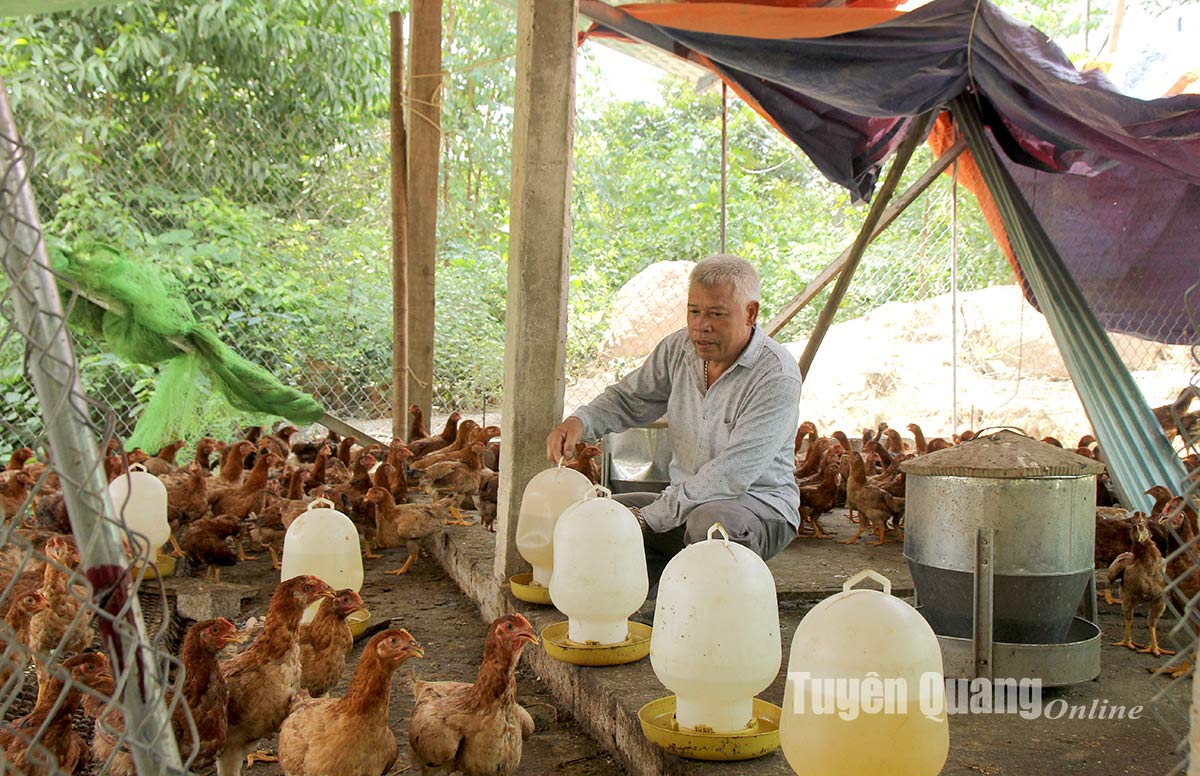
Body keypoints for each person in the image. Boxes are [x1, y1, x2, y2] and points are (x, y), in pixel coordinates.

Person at [546, 254, 802, 591]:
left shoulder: (776, 375)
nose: (701, 325)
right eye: (694, 311)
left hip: (757, 506)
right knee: (600, 516)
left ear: (750, 313)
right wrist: (581, 421)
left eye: (716, 314)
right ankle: (652, 600)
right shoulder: (680, 349)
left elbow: (731, 474)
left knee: (709, 525)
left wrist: (650, 517)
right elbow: (628, 398)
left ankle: (718, 618)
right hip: (684, 500)